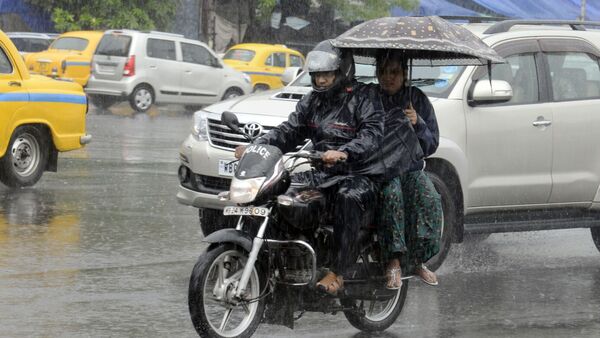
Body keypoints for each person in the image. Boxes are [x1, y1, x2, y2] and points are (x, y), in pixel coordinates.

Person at [234, 40, 384, 295]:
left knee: (347, 198)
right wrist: (257, 146)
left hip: (359, 174)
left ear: (342, 71)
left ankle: (339, 271)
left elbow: (372, 134)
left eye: (326, 74)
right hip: (322, 173)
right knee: (280, 194)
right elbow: (289, 131)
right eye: (317, 75)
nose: (321, 80)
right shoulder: (312, 101)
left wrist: (345, 152)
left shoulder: (364, 97)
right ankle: (281, 264)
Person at [358, 50, 442, 289]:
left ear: (405, 74)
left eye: (394, 72)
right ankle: (393, 261)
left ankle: (417, 260)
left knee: (429, 197)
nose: (388, 78)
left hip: (410, 170)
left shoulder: (417, 100)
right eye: (383, 72)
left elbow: (431, 144)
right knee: (392, 195)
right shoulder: (370, 99)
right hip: (381, 171)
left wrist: (418, 123)